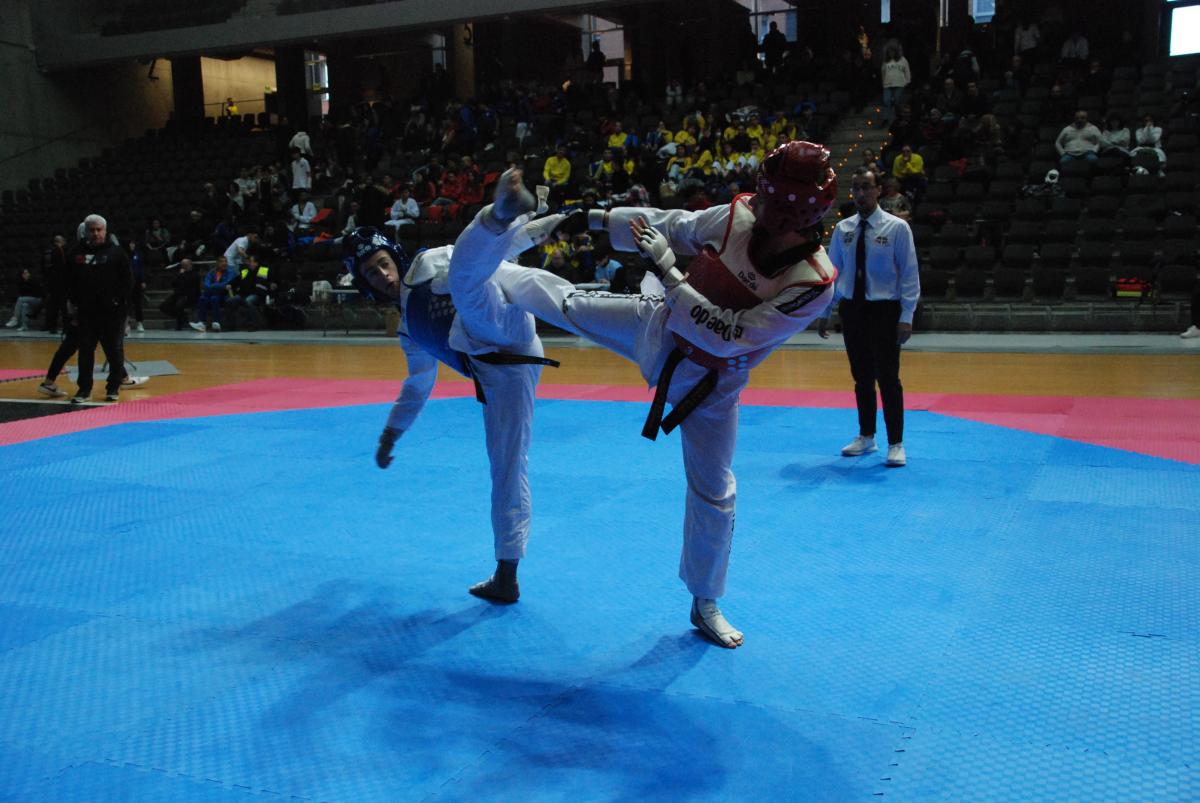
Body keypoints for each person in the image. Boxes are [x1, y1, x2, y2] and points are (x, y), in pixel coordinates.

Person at [474, 144, 840, 648]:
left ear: (795, 212)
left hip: (712, 381)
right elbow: (672, 224)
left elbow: (728, 335)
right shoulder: (737, 216)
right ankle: (475, 271)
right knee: (569, 303)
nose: (759, 205)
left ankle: (705, 601)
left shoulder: (813, 282)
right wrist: (594, 218)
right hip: (659, 328)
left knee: (715, 490)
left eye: (772, 201)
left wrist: (669, 273)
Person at [342, 177, 562, 604]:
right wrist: (391, 433)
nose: (383, 275)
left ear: (394, 256)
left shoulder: (428, 262)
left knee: (471, 270)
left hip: (507, 333)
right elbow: (418, 385)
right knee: (505, 463)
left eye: (383, 263)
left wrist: (533, 225)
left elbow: (491, 252)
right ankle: (507, 573)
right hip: (497, 371)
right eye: (372, 273)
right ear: (365, 284)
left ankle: (511, 211)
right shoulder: (409, 330)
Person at [816, 168, 920, 468]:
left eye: (866, 187)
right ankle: (867, 435)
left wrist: (907, 315)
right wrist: (825, 311)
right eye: (856, 188)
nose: (860, 193)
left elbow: (909, 274)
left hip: (885, 310)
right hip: (853, 309)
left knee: (888, 378)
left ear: (878, 190)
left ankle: (896, 442)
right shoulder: (843, 229)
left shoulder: (897, 228)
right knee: (861, 377)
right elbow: (833, 273)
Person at [66, 214, 132, 403]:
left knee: (114, 351)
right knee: (85, 351)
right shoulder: (75, 253)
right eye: (91, 230)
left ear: (105, 230)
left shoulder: (117, 253)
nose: (95, 233)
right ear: (85, 231)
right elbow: (68, 281)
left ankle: (113, 387)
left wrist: (118, 301)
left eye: (99, 230)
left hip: (113, 313)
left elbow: (128, 280)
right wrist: (74, 304)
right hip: (87, 312)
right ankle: (84, 390)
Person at [226, 252, 275, 331]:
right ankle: (230, 325)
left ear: (256, 263)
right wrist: (230, 284)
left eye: (251, 261)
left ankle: (254, 325)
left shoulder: (263, 270)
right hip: (243, 294)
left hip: (258, 295)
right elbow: (236, 280)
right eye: (249, 261)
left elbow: (268, 282)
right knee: (230, 301)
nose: (249, 263)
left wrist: (272, 284)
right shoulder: (245, 271)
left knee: (249, 301)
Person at [190, 255, 235, 332]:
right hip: (211, 294)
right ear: (217, 263)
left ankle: (216, 322)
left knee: (214, 298)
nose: (224, 263)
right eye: (222, 261)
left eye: (225, 261)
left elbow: (227, 283)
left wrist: (213, 286)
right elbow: (206, 285)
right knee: (202, 298)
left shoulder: (231, 272)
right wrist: (218, 286)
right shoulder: (211, 272)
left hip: (224, 295)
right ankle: (202, 323)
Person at [159, 258, 202, 331]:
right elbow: (173, 283)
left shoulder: (195, 274)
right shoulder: (181, 273)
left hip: (189, 295)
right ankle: (183, 318)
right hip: (178, 294)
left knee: (179, 305)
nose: (184, 267)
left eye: (186, 265)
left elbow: (189, 284)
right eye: (183, 265)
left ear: (190, 265)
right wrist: (180, 275)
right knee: (163, 306)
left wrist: (182, 275)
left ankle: (180, 324)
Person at [42, 234, 70, 333]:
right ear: (61, 241)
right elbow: (64, 267)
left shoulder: (47, 251)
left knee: (53, 307)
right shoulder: (61, 251)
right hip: (61, 283)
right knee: (63, 307)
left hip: (51, 283)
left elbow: (44, 267)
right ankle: (65, 328)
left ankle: (52, 327)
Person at [880, 45, 911, 123]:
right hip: (888, 84)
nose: (891, 53)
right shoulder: (886, 60)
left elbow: (907, 70)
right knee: (886, 101)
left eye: (893, 51)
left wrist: (907, 81)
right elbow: (883, 72)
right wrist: (883, 82)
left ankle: (897, 117)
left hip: (899, 84)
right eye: (890, 52)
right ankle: (886, 119)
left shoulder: (903, 60)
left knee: (897, 101)